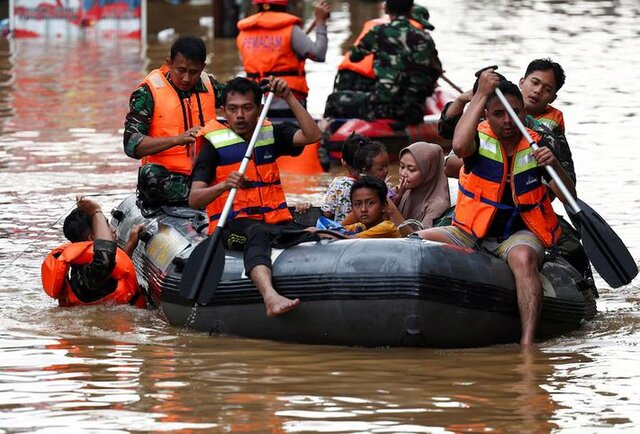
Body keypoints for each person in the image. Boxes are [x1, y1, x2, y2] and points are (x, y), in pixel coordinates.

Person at [417, 72, 577, 349]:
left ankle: (527, 343)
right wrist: (479, 94)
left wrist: (556, 166)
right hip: (470, 230)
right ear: (486, 115)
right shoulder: (478, 139)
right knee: (417, 242)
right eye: (498, 114)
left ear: (523, 112)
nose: (506, 121)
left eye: (513, 113)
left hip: (518, 233)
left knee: (525, 259)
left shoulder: (540, 143)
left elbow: (569, 197)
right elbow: (457, 146)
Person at [189, 76, 321, 317]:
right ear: (223, 112)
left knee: (312, 231)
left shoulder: (270, 134)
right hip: (232, 230)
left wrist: (289, 96)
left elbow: (312, 135)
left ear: (259, 109)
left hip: (275, 222)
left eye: (247, 108)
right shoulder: (213, 146)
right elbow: (194, 198)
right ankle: (270, 297)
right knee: (258, 233)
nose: (240, 115)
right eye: (233, 109)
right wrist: (223, 186)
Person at [123, 36, 225, 208]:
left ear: (202, 68)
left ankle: (207, 195)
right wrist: (178, 139)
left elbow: (240, 97)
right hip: (168, 177)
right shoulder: (147, 93)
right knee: (150, 176)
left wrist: (264, 88)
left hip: (204, 175)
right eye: (181, 70)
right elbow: (131, 145)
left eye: (193, 72)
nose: (186, 78)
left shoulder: (209, 85)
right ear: (169, 63)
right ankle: (203, 198)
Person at [440, 62, 575, 183]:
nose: (538, 91)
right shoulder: (486, 116)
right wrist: (464, 100)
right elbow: (450, 161)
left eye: (547, 89)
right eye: (535, 82)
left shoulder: (545, 135)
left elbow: (565, 183)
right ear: (522, 82)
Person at [324, 0, 442, 125]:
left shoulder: (378, 32)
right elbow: (436, 71)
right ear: (410, 10)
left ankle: (325, 139)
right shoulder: (425, 37)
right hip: (414, 111)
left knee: (333, 100)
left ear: (385, 9)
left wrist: (376, 50)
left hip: (384, 107)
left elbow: (354, 56)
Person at [41, 197, 147, 308]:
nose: (113, 229)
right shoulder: (83, 279)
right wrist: (96, 211)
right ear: (92, 238)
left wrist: (130, 245)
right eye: (105, 225)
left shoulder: (86, 269)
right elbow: (104, 263)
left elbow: (115, 272)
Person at [237, 0, 331, 118]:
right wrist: (321, 22)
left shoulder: (244, 31)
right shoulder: (290, 29)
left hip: (255, 102)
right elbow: (319, 54)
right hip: (287, 101)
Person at [331, 3, 435, 94]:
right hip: (366, 82)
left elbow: (354, 55)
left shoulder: (378, 26)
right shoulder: (414, 33)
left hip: (344, 78)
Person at [319, 134, 390, 223]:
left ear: (343, 162)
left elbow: (327, 212)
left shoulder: (338, 183)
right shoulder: (378, 187)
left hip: (341, 232)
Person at [393, 141, 451, 231]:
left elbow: (420, 240)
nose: (403, 174)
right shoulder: (405, 191)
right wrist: (397, 200)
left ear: (429, 171)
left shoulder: (437, 205)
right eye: (402, 166)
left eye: (411, 169)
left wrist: (391, 209)